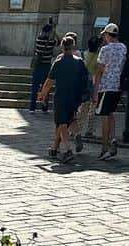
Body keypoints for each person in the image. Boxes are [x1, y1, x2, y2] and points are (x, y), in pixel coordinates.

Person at [37, 33, 90, 164]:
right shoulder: (79, 62)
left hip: (61, 96)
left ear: (62, 47)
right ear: (73, 47)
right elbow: (87, 78)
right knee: (68, 120)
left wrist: (43, 95)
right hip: (75, 97)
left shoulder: (58, 62)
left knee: (61, 123)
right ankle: (55, 148)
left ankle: (67, 149)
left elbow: (49, 81)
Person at [94, 22, 128, 160]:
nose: (104, 38)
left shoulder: (105, 50)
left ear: (108, 35)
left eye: (105, 35)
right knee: (110, 113)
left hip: (106, 85)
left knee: (104, 117)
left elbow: (100, 70)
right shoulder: (123, 48)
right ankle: (113, 139)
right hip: (118, 85)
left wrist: (95, 89)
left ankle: (105, 147)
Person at [77, 34, 102, 150]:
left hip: (84, 83)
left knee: (82, 108)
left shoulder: (83, 54)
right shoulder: (99, 57)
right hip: (95, 82)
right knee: (93, 108)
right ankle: (90, 130)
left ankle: (77, 129)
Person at [30, 17, 56, 113]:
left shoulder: (38, 40)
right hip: (46, 66)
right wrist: (54, 31)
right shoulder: (50, 42)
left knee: (34, 87)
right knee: (46, 87)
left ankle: (32, 107)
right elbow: (59, 41)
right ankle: (44, 107)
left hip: (37, 66)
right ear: (49, 32)